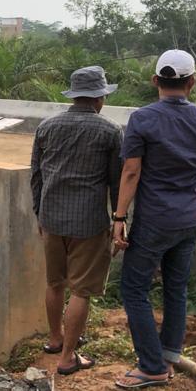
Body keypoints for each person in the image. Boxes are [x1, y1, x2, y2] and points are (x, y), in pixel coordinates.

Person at [112, 50, 196, 389]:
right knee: (176, 288)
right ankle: (169, 356)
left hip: (155, 220)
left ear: (155, 81)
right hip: (189, 218)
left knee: (134, 288)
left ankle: (152, 366)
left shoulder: (142, 119)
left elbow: (131, 171)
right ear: (192, 83)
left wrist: (119, 217)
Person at [31, 66, 122, 375]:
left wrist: (39, 214)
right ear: (99, 98)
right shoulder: (110, 132)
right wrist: (119, 219)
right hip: (89, 224)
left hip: (51, 219)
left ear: (74, 96)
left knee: (54, 282)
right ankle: (68, 357)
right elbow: (116, 182)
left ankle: (55, 338)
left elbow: (36, 176)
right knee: (81, 291)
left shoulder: (46, 127)